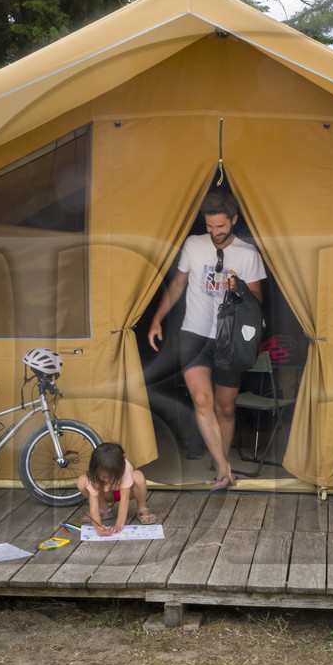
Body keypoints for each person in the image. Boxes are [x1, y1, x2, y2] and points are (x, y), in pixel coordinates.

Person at [146, 189, 266, 489]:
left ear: (234, 220)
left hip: (230, 340)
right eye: (209, 226)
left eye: (220, 227)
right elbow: (177, 284)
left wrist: (237, 286)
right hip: (194, 333)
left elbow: (257, 299)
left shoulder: (248, 254)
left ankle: (220, 465)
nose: (214, 233)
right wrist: (157, 319)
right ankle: (225, 469)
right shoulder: (193, 245)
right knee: (202, 400)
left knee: (225, 408)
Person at [76, 441, 159, 536]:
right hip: (105, 495)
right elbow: (93, 509)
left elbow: (125, 498)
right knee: (82, 481)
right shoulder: (94, 477)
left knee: (138, 476)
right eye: (104, 477)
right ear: (96, 470)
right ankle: (103, 509)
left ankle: (142, 508)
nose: (109, 480)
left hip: (125, 492)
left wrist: (119, 525)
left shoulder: (125, 466)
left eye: (113, 477)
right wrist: (98, 526)